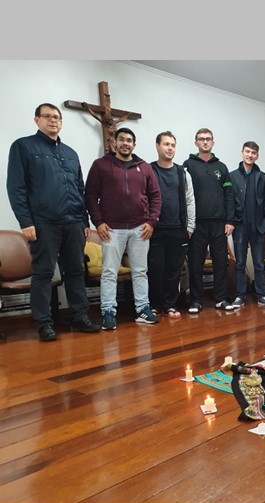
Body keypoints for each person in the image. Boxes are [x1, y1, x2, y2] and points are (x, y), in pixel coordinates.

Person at [7, 103, 101, 341]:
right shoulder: (23, 146)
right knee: (44, 272)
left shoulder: (70, 153)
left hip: (74, 222)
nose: (53, 120)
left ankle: (80, 315)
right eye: (47, 116)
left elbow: (79, 189)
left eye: (57, 117)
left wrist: (84, 221)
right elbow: (16, 187)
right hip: (43, 222)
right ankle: (44, 323)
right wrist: (25, 221)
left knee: (76, 271)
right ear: (37, 120)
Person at [85, 127, 162, 330]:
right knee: (109, 272)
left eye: (129, 140)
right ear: (115, 142)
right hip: (111, 229)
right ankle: (108, 312)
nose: (125, 143)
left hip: (140, 228)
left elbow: (156, 196)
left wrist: (151, 222)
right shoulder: (101, 165)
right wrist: (98, 222)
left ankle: (142, 309)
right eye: (122, 139)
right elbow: (90, 195)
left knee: (141, 271)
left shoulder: (144, 167)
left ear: (134, 144)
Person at [182, 128, 236, 313]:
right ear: (196, 142)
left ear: (213, 142)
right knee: (196, 263)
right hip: (196, 224)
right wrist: (187, 223)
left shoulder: (221, 167)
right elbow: (184, 195)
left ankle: (221, 299)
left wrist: (230, 220)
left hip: (219, 223)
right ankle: (196, 300)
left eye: (208, 139)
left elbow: (229, 195)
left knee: (220, 262)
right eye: (201, 139)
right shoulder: (188, 165)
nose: (205, 142)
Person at [148, 131, 196, 318]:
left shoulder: (182, 173)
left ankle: (170, 305)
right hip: (155, 230)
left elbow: (190, 200)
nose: (170, 148)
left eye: (173, 145)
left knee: (173, 271)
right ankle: (155, 305)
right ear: (157, 146)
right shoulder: (148, 170)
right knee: (155, 270)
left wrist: (190, 227)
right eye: (166, 144)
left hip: (178, 229)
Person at [230, 141, 265, 308]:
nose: (250, 155)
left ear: (257, 156)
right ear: (242, 152)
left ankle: (262, 295)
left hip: (258, 226)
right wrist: (231, 221)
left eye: (253, 153)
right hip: (240, 226)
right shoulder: (232, 176)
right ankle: (239, 296)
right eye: (247, 151)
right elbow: (229, 201)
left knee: (259, 264)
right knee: (240, 263)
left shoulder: (262, 177)